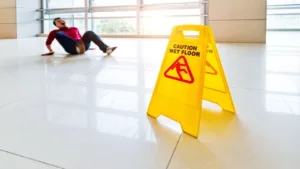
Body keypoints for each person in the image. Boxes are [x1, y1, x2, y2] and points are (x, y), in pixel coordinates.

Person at [42, 17, 117, 56]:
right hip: (71, 48)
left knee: (89, 32)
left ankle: (106, 49)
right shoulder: (54, 32)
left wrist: (87, 46)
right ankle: (78, 47)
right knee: (59, 34)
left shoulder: (74, 28)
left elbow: (81, 38)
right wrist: (50, 51)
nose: (61, 21)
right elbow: (48, 43)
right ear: (56, 25)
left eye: (62, 20)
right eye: (58, 21)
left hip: (83, 46)